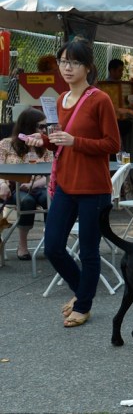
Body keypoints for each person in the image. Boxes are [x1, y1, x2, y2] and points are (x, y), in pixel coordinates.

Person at [32, 39, 120, 328]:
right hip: (66, 185)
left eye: (74, 62)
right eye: (63, 61)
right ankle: (83, 291)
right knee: (53, 247)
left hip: (93, 188)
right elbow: (60, 142)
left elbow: (113, 144)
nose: (67, 68)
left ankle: (83, 305)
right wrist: (43, 140)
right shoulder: (60, 100)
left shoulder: (100, 99)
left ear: (88, 67)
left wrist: (75, 141)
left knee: (89, 250)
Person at [0, 108, 54, 260]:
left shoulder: (44, 145)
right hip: (14, 188)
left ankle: (51, 243)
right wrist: (2, 184)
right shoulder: (6, 144)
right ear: (28, 127)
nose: (44, 130)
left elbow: (52, 172)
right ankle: (22, 245)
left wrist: (34, 185)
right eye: (41, 127)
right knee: (26, 201)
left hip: (39, 185)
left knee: (50, 199)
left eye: (45, 127)